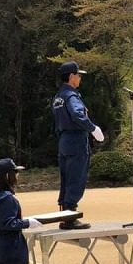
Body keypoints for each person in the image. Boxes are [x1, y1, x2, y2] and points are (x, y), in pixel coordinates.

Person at [52, 61, 104, 229]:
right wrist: (93, 128)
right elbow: (77, 114)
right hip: (76, 140)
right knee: (76, 177)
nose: (80, 78)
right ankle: (70, 218)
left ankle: (63, 216)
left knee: (66, 178)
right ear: (71, 76)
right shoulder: (71, 96)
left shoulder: (58, 97)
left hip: (64, 140)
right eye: (78, 75)